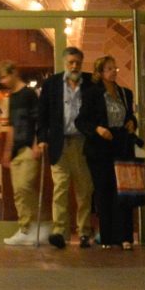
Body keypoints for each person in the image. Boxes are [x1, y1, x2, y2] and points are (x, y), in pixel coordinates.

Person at [37, 44, 103, 248]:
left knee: (84, 190)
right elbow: (43, 114)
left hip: (83, 143)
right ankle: (60, 231)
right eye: (71, 63)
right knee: (60, 188)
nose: (74, 66)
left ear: (82, 64)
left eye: (78, 63)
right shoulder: (52, 84)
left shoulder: (91, 84)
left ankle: (84, 232)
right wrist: (42, 138)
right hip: (60, 143)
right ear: (64, 63)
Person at [85, 55, 141, 249]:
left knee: (124, 191)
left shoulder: (125, 93)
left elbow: (131, 116)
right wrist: (98, 129)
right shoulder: (93, 94)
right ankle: (108, 236)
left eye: (115, 68)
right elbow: (82, 120)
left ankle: (125, 236)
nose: (113, 71)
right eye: (109, 69)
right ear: (100, 73)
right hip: (101, 146)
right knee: (104, 190)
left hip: (121, 143)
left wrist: (132, 123)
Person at [0, 62, 46, 246]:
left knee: (25, 186)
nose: (3, 81)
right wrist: (7, 151)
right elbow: (11, 126)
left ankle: (34, 224)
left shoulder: (29, 94)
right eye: (0, 78)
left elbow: (38, 120)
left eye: (4, 77)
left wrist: (36, 144)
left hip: (28, 147)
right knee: (18, 191)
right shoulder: (12, 97)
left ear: (14, 73)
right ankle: (27, 226)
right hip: (16, 150)